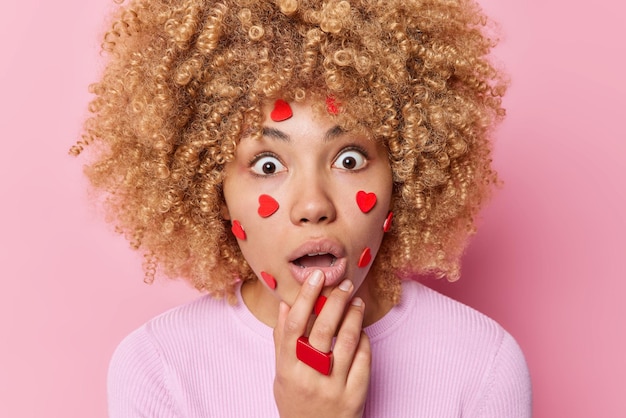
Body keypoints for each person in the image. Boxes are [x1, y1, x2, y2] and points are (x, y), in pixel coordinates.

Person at [72, 0, 532, 416]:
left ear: (403, 175)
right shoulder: (159, 368)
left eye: (349, 159)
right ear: (213, 189)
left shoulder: (482, 362)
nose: (313, 205)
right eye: (268, 164)